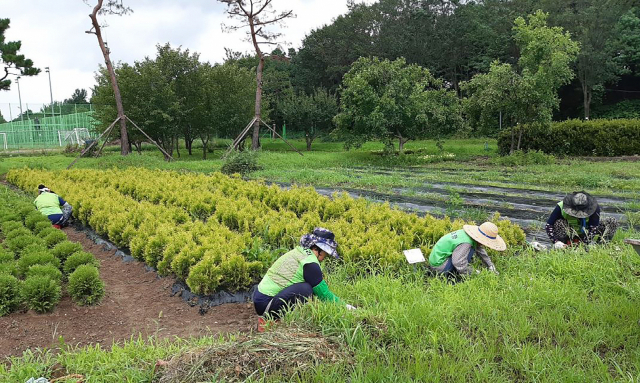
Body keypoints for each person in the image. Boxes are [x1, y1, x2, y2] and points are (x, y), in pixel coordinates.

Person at [253, 227, 355, 330]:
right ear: (319, 249)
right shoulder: (310, 263)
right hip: (266, 303)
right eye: (326, 253)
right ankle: (269, 321)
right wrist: (345, 307)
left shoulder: (300, 252)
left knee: (307, 289)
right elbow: (324, 294)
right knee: (306, 289)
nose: (326, 256)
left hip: (261, 297)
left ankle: (272, 319)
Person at [429, 222, 506, 276]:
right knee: (470, 251)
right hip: (439, 266)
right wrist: (474, 273)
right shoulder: (466, 243)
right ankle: (453, 276)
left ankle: (458, 272)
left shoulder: (468, 236)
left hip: (438, 260)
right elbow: (458, 262)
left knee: (472, 249)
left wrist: (490, 265)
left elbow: (480, 250)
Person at [545, 191, 618, 249]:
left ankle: (601, 247)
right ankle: (564, 246)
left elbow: (593, 228)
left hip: (585, 231)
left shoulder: (594, 207)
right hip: (569, 231)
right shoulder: (561, 206)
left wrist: (583, 245)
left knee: (611, 222)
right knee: (558, 223)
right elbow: (549, 225)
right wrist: (556, 241)